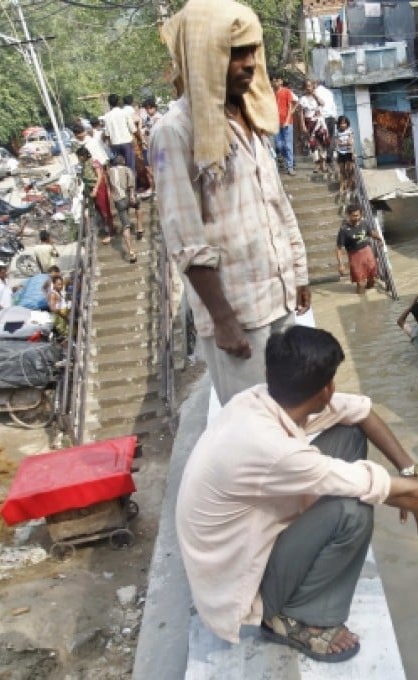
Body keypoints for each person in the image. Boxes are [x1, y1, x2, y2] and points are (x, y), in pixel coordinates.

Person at [176, 326, 418, 662]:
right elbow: (392, 493)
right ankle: (295, 619)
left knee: (351, 435)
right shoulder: (276, 451)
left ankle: (297, 585)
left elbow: (360, 413)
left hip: (242, 543)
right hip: (240, 589)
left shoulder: (259, 399)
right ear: (325, 389)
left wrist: (408, 469)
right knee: (353, 511)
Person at [153, 0, 311, 406]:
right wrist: (223, 320)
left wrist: (299, 271)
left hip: (279, 300)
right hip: (239, 317)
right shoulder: (174, 132)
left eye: (252, 51)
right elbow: (184, 239)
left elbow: (277, 203)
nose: (248, 64)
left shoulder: (250, 116)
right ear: (206, 56)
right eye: (235, 52)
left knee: (292, 415)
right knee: (258, 434)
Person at [335, 204, 382, 294]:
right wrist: (341, 264)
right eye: (354, 216)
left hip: (367, 252)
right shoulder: (344, 230)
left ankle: (369, 301)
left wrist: (379, 238)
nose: (357, 218)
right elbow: (338, 248)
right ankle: (361, 299)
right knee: (360, 284)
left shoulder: (365, 223)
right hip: (355, 256)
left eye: (358, 215)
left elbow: (371, 233)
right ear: (348, 215)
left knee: (372, 279)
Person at [76, 146, 113, 240]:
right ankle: (107, 229)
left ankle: (110, 232)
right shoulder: (84, 164)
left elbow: (100, 176)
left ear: (83, 156)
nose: (78, 158)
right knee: (99, 210)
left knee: (104, 209)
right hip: (90, 188)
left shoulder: (94, 162)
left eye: (79, 156)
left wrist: (95, 189)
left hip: (98, 187)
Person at [108, 155, 139, 262]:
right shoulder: (127, 169)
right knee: (137, 205)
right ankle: (139, 227)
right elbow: (131, 184)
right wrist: (132, 196)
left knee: (125, 226)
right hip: (127, 196)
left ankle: (131, 251)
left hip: (118, 200)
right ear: (123, 161)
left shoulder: (110, 171)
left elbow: (109, 187)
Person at [298, 80, 329, 174]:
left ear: (313, 87)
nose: (309, 88)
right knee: (312, 144)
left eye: (310, 86)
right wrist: (303, 125)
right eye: (307, 86)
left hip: (320, 122)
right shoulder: (302, 99)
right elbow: (301, 113)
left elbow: (322, 104)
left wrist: (314, 95)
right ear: (304, 87)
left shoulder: (318, 96)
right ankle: (317, 164)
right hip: (309, 123)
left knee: (323, 143)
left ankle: (323, 164)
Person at [103, 93, 136, 174]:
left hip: (115, 144)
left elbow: (107, 134)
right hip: (127, 142)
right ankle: (132, 185)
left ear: (109, 103)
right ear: (118, 102)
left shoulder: (107, 116)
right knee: (130, 166)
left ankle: (121, 185)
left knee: (119, 167)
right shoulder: (124, 113)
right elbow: (133, 129)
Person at [271, 75, 298, 175]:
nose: (275, 83)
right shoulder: (271, 93)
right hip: (276, 123)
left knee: (288, 145)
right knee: (279, 145)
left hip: (287, 123)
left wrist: (287, 120)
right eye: (273, 81)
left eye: (277, 81)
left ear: (281, 81)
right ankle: (289, 160)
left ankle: (290, 166)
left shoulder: (286, 91)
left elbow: (291, 106)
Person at [314, 81, 338, 166]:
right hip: (331, 116)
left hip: (323, 117)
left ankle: (323, 157)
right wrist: (335, 116)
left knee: (321, 137)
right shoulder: (329, 92)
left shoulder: (315, 92)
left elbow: (316, 106)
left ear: (316, 84)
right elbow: (334, 105)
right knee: (331, 137)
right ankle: (329, 157)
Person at [333, 115, 355, 199]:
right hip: (340, 152)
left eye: (344, 123)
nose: (343, 125)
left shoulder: (350, 130)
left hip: (349, 152)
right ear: (339, 124)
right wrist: (344, 143)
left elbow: (350, 143)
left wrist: (344, 143)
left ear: (347, 124)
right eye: (341, 123)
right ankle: (342, 187)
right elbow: (337, 142)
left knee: (349, 170)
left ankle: (349, 187)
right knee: (341, 171)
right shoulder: (337, 132)